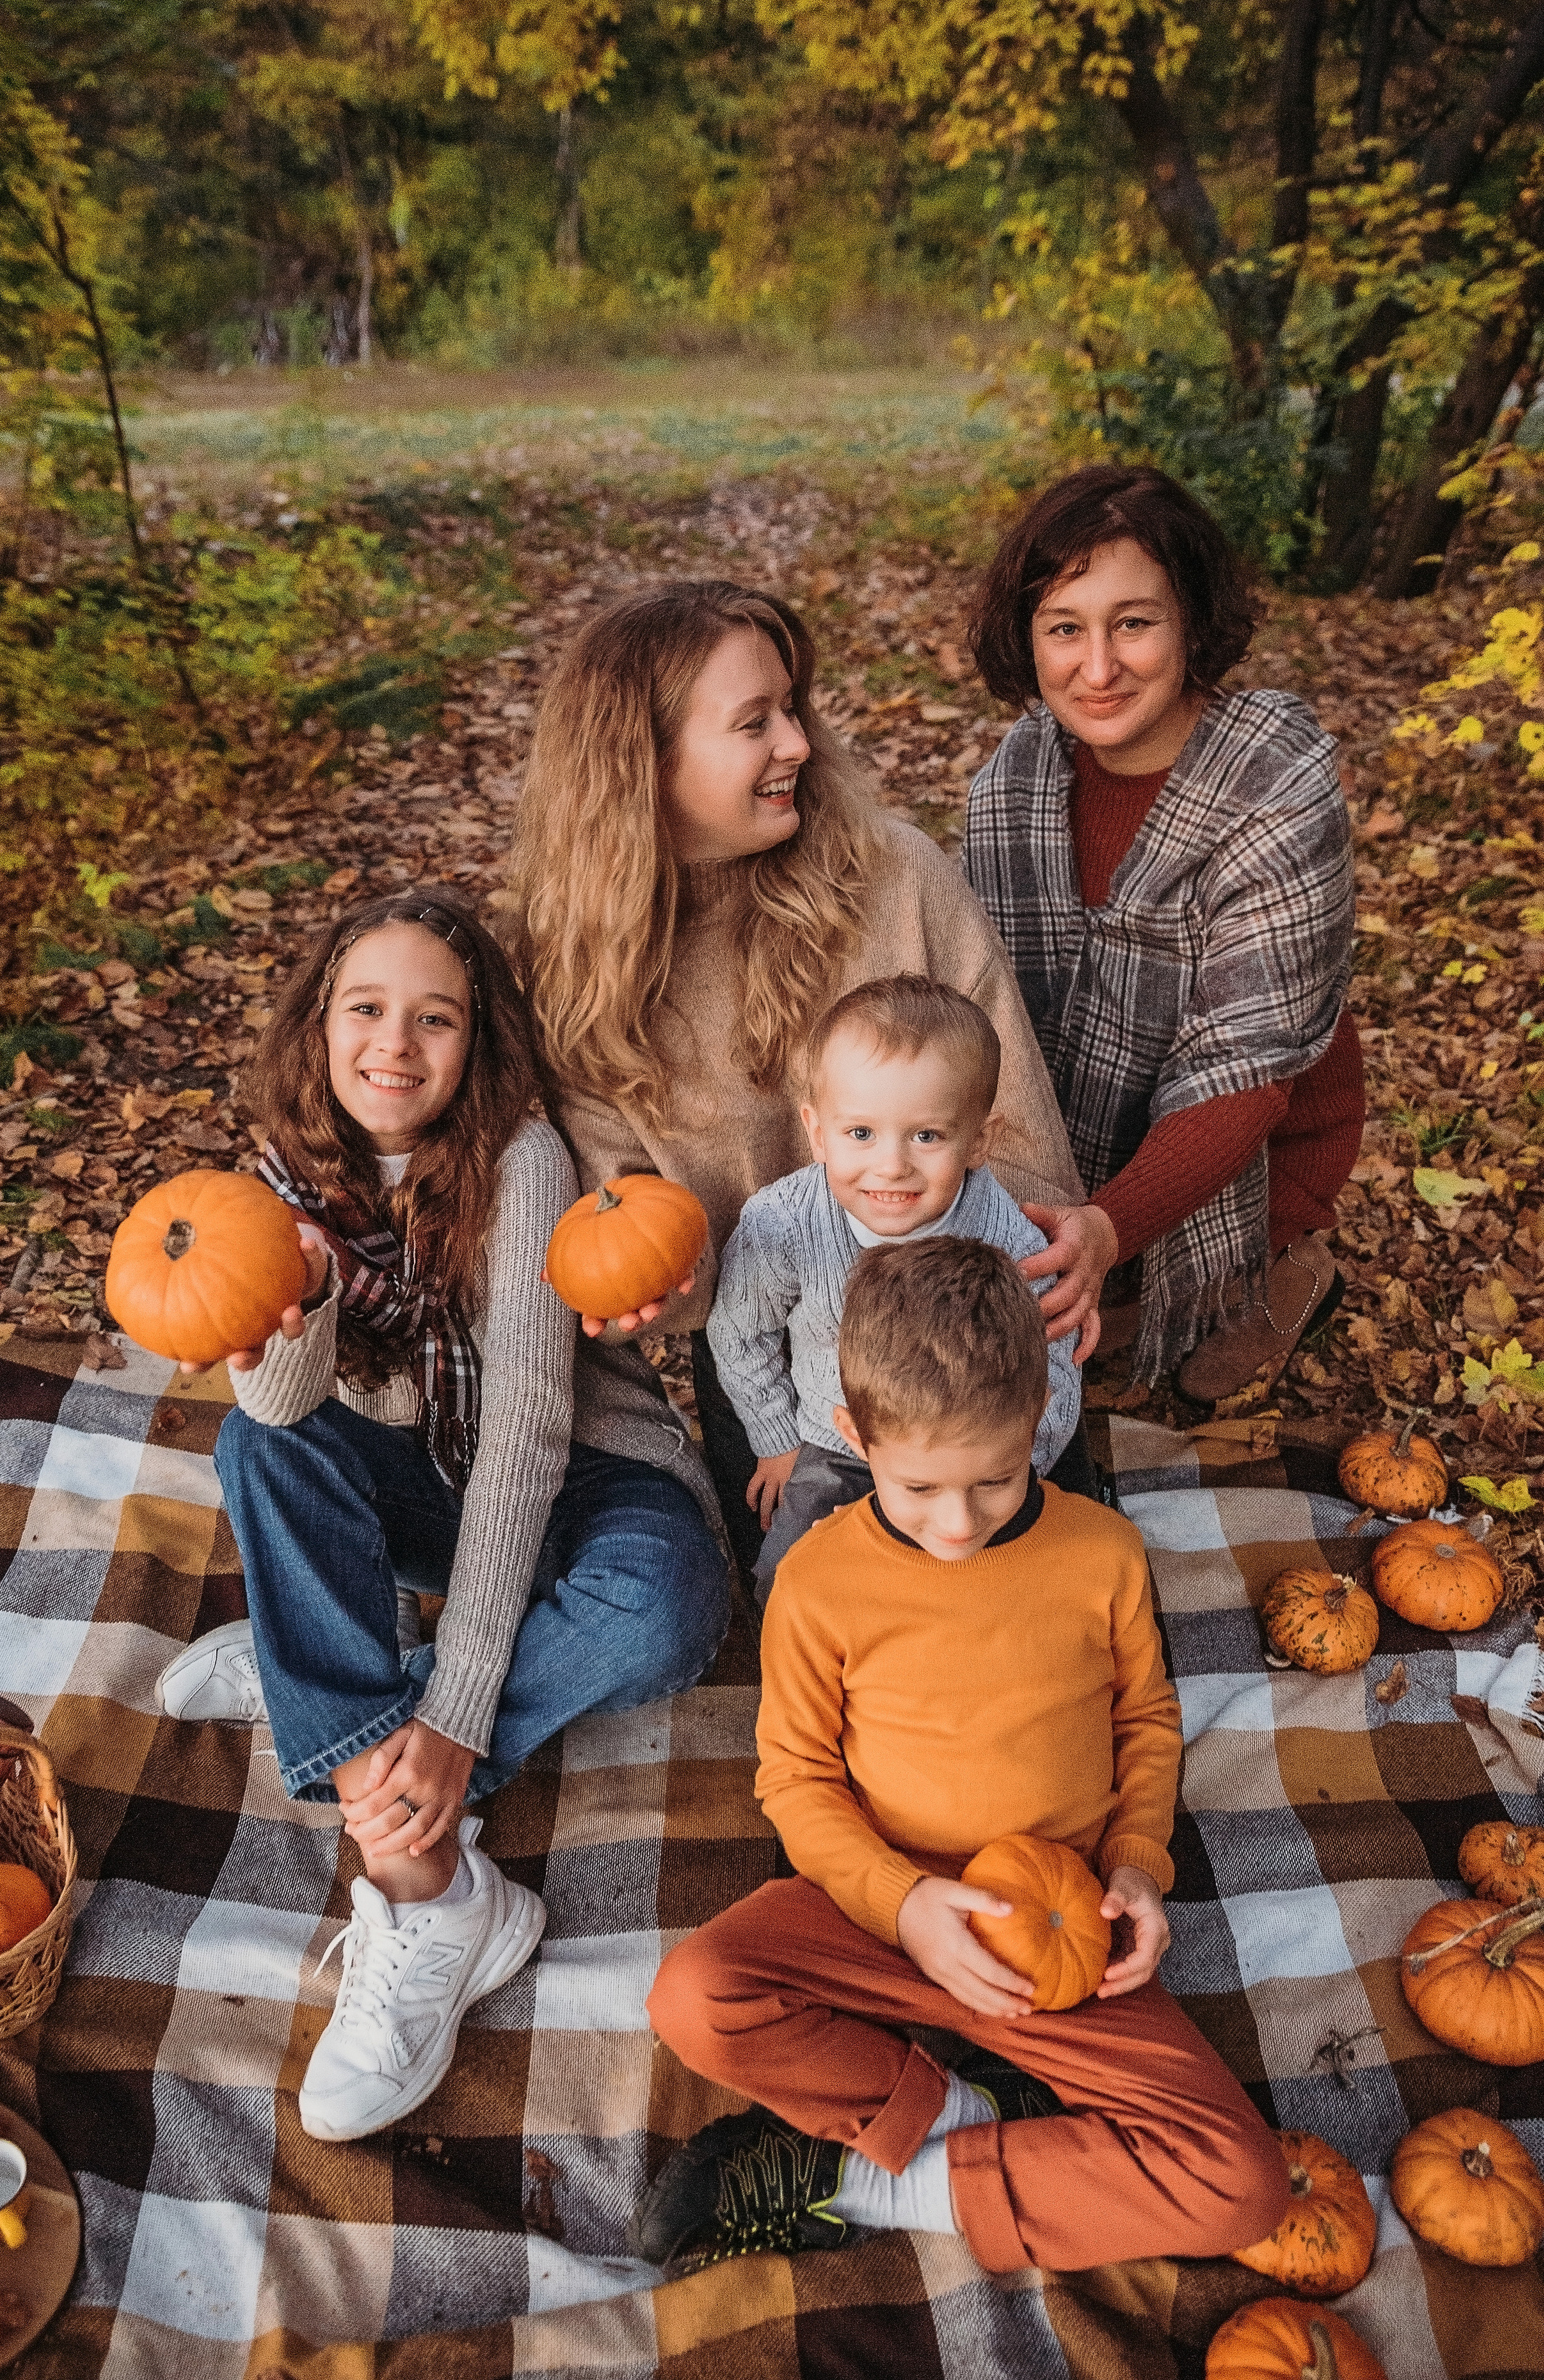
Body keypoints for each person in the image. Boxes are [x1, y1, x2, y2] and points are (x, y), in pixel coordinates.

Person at [155, 887, 729, 2143]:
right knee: (261, 1444)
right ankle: (426, 1886)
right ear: (317, 1023)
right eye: (366, 1010)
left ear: (479, 1044)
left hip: (581, 1480)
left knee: (673, 1608)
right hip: (416, 1490)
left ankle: (348, 1689)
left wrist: (460, 1709)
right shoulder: (273, 1185)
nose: (395, 1047)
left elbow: (526, 1431)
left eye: (436, 1020)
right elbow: (292, 1411)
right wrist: (294, 1306)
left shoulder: (520, 1160)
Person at [635, 1238, 1288, 2273]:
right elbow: (797, 1780)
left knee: (1242, 2185)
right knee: (695, 1993)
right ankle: (965, 2107)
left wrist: (1136, 1867)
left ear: (1039, 1421)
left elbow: (1146, 1722)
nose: (959, 1522)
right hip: (883, 1912)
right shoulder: (815, 1582)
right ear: (854, 1435)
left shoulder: (1101, 1554)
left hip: (1062, 1933)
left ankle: (886, 2183)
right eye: (921, 1488)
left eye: (994, 1479)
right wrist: (901, 1905)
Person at [512, 578, 1088, 1573]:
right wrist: (650, 1283)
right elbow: (628, 1219)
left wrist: (1040, 1297)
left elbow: (1021, 1137)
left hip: (975, 1327)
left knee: (1033, 1594)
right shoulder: (585, 968)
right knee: (819, 1603)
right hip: (781, 1360)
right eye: (754, 723)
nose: (799, 745)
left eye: (793, 709)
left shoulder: (897, 878)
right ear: (642, 764)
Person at [962, 463, 1362, 1406]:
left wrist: (1106, 1227)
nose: (1097, 670)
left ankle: (1279, 1264)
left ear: (1191, 621)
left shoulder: (1277, 788)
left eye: (1133, 623)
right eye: (1066, 628)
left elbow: (1249, 1073)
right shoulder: (1014, 785)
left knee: (1176, 1386)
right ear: (1029, 638)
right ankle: (1106, 1248)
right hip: (1076, 1136)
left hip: (1258, 1146)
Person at [707, 975, 1080, 1603]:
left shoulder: (1005, 1239)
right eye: (861, 1134)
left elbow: (1053, 1358)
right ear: (817, 1130)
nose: (892, 1165)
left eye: (926, 1136)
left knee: (1000, 1588)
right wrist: (777, 1442)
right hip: (835, 1445)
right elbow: (740, 1330)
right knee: (790, 1576)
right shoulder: (784, 1224)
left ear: (979, 1141)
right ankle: (817, 1678)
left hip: (967, 1458)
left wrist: (1021, 1464)